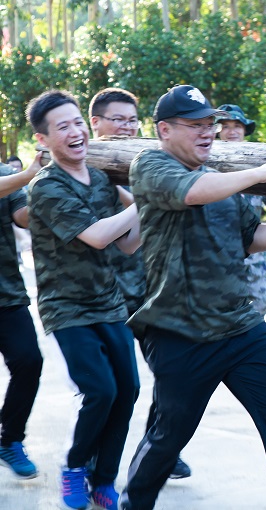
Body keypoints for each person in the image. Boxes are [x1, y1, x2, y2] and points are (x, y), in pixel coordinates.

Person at [121, 85, 266, 510]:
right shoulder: (151, 165)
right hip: (179, 332)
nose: (207, 132)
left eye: (209, 124)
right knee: (170, 434)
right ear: (164, 130)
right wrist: (263, 171)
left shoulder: (225, 180)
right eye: (195, 125)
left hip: (241, 329)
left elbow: (254, 239)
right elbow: (193, 193)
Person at [26, 90, 142, 510]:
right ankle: (75, 466)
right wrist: (148, 197)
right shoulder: (46, 187)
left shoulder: (102, 179)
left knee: (128, 390)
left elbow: (127, 244)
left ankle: (104, 479)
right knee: (101, 390)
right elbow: (96, 236)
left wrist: (146, 207)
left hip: (108, 301)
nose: (76, 132)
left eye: (78, 122)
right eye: (63, 127)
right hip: (66, 307)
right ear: (43, 140)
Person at [89, 87, 192, 481]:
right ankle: (96, 461)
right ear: (95, 122)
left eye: (132, 120)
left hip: (150, 292)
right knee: (113, 389)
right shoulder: (85, 176)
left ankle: (159, 448)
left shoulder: (151, 165)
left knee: (175, 375)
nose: (126, 127)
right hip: (101, 297)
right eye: (117, 119)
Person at [0, 153, 44, 481]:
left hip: (7, 293)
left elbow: (23, 217)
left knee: (29, 362)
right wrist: (27, 175)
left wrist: (45, 183)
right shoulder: (15, 176)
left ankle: (9, 439)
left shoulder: (6, 173)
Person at [215, 103, 266, 316]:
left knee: (260, 304)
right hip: (218, 251)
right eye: (226, 126)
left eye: (237, 126)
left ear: (245, 130)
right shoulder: (207, 162)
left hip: (254, 252)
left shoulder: (259, 162)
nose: (232, 131)